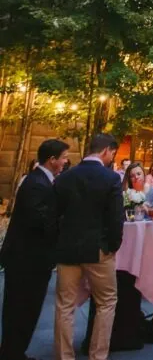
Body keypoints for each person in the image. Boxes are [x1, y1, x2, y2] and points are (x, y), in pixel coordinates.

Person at [53, 133, 124, 360]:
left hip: (68, 249)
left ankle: (64, 356)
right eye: (113, 153)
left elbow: (55, 214)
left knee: (65, 305)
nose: (112, 158)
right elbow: (115, 218)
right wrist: (112, 245)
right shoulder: (110, 178)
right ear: (105, 151)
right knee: (107, 302)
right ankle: (98, 355)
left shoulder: (65, 177)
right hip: (98, 250)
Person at [0, 139, 67, 360]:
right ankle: (12, 352)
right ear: (52, 160)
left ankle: (15, 351)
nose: (66, 162)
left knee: (24, 309)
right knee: (22, 309)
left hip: (29, 258)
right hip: (27, 260)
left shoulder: (40, 181)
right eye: (64, 158)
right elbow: (39, 220)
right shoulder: (37, 183)